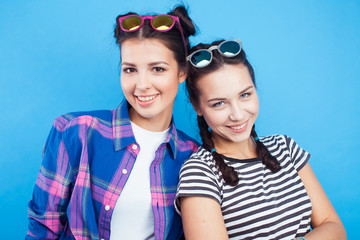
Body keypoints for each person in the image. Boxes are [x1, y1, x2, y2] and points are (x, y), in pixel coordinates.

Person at [26, 6, 198, 240]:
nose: (142, 84)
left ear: (182, 72)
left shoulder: (193, 156)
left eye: (157, 69)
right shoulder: (76, 131)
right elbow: (43, 226)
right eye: (130, 70)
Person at [175, 39, 346, 239]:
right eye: (219, 103)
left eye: (245, 95)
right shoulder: (200, 173)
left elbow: (334, 228)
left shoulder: (285, 148)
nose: (237, 114)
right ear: (197, 107)